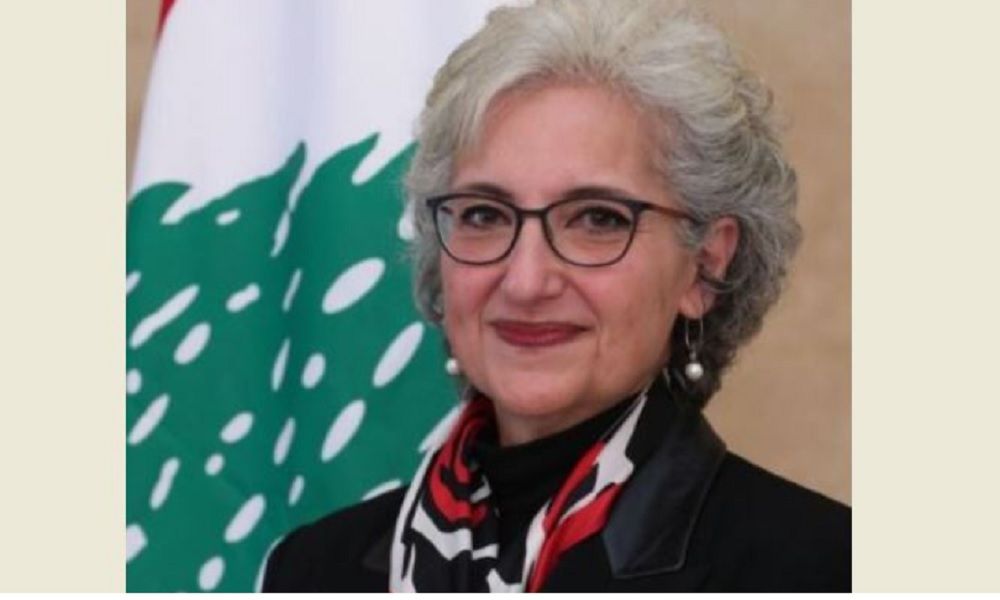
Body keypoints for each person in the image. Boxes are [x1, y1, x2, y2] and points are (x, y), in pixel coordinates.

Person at [263, 0, 849, 592]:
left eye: (597, 219)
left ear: (704, 266)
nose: (526, 281)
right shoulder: (310, 570)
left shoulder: (823, 568)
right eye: (485, 214)